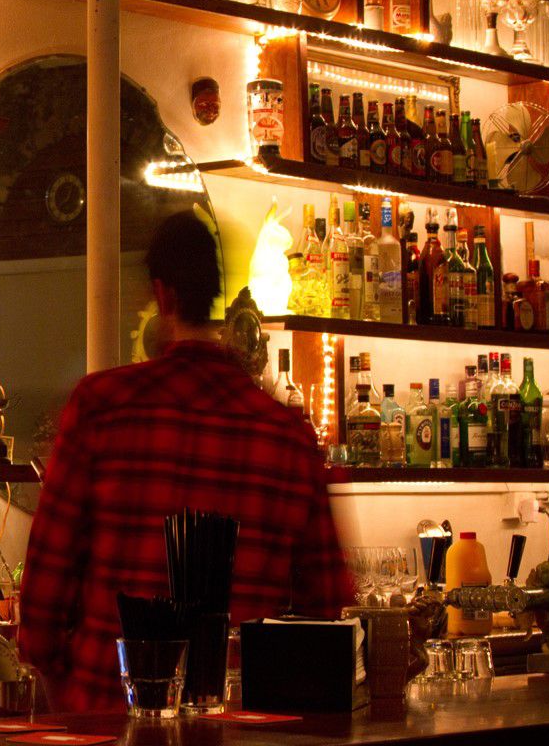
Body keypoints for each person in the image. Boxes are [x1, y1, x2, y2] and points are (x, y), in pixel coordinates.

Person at [19, 210, 351, 714]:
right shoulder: (287, 434)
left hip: (106, 711)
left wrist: (62, 679)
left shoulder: (102, 406)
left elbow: (46, 587)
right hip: (239, 721)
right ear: (214, 294)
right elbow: (326, 608)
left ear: (163, 294)